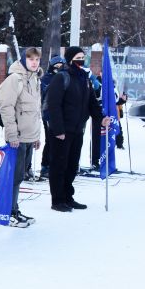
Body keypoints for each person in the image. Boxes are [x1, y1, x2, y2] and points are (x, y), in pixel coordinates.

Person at [43, 46, 110, 212]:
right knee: (59, 165)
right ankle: (57, 199)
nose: (82, 60)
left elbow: (92, 103)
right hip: (61, 131)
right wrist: (58, 130)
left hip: (77, 129)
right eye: (79, 57)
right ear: (71, 59)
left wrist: (101, 119)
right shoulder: (61, 77)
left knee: (72, 165)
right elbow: (53, 105)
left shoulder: (84, 79)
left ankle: (68, 196)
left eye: (83, 57)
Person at [0, 47, 43, 227]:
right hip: (17, 138)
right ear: (23, 60)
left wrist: (36, 136)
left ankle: (15, 208)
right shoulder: (15, 79)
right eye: (31, 59)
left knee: (20, 176)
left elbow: (35, 111)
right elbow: (6, 108)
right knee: (14, 177)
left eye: (37, 60)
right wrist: (12, 135)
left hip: (29, 137)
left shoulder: (35, 78)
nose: (35, 63)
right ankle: (9, 211)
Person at [38, 56, 65, 180]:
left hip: (61, 114)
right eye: (56, 66)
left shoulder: (64, 77)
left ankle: (56, 165)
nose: (58, 69)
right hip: (48, 113)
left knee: (60, 141)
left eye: (61, 66)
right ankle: (45, 166)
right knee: (50, 140)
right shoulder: (47, 78)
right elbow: (44, 93)